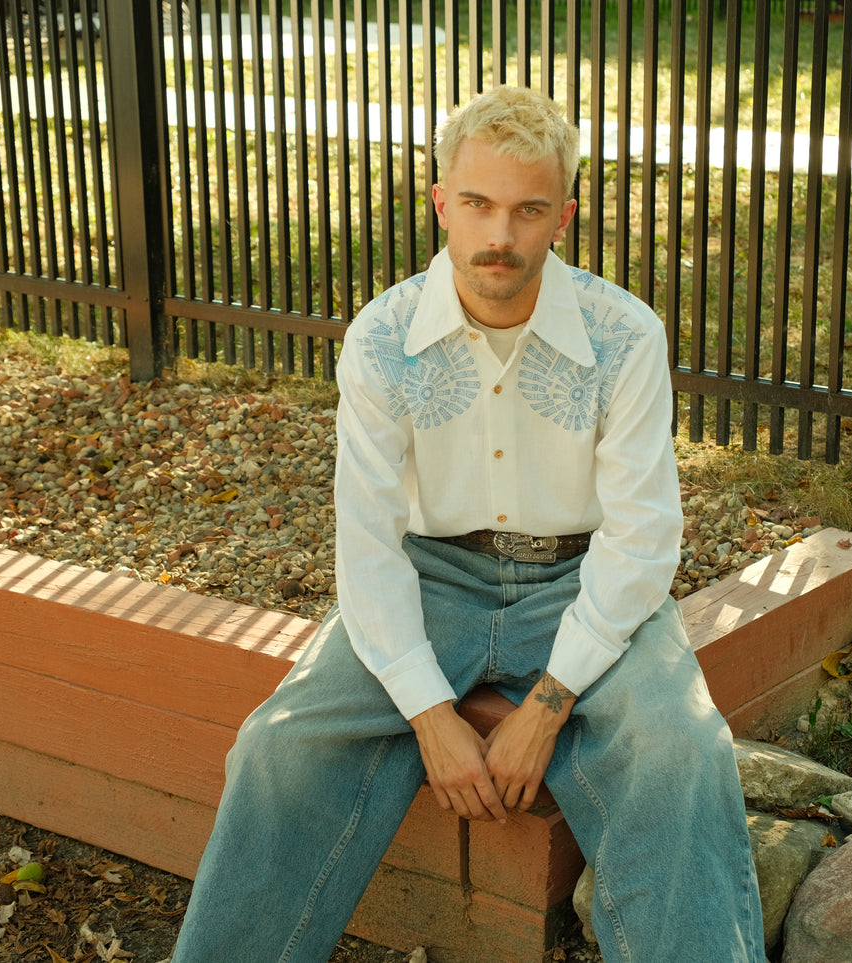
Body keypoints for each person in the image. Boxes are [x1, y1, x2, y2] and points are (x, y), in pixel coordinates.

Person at [171, 85, 764, 963]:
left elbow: (642, 539)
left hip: (582, 577)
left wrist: (547, 704)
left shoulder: (624, 336)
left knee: (678, 750)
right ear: (441, 202)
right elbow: (368, 545)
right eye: (478, 205)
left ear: (563, 213)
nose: (500, 236)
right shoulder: (381, 337)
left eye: (527, 210)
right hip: (431, 577)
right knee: (278, 747)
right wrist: (428, 716)